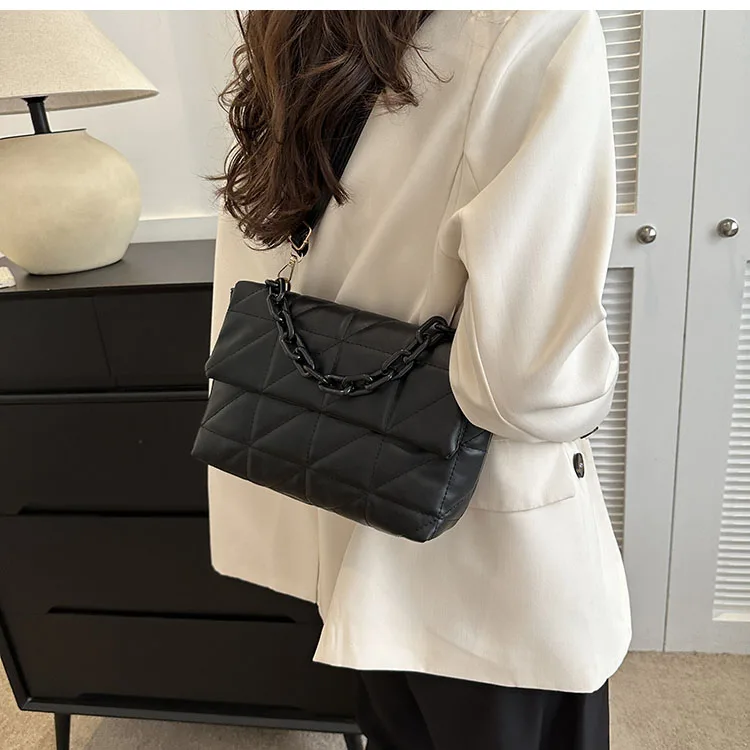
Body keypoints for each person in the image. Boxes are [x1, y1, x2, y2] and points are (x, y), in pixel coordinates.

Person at [208, 10, 631, 750]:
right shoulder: (531, 24)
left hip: (351, 518)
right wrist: (594, 384)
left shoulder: (299, 29)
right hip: (490, 560)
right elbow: (527, 384)